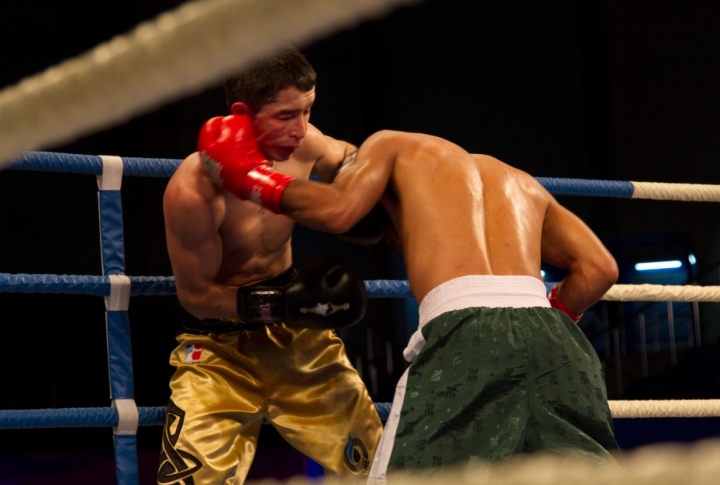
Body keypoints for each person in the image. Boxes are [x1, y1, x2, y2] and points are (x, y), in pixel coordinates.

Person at [199, 125, 621, 481]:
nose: (398, 244)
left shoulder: (391, 145)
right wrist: (550, 318)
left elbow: (339, 210)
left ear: (386, 212)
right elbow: (600, 269)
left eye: (389, 240)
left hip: (466, 335)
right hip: (558, 343)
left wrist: (250, 178)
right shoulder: (519, 179)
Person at [159, 47, 383, 484]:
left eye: (308, 111)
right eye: (286, 116)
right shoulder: (194, 191)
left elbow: (351, 157)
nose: (301, 130)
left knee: (377, 468)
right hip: (220, 354)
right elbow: (197, 295)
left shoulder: (303, 145)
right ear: (243, 113)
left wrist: (362, 197)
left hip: (299, 340)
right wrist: (282, 304)